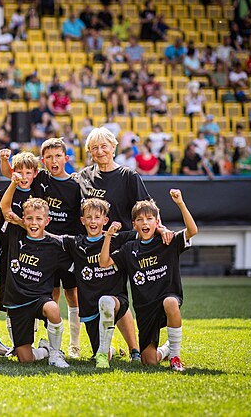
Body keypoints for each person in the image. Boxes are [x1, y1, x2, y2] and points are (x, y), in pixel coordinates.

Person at [99, 189, 198, 371]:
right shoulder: (129, 248)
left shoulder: (167, 241)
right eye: (140, 220)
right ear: (134, 225)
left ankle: (175, 357)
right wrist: (108, 236)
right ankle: (166, 349)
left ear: (156, 222)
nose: (145, 223)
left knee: (170, 302)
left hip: (166, 298)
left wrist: (180, 203)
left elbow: (192, 231)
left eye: (149, 219)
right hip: (145, 309)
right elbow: (104, 262)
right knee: (149, 361)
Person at [77, 127, 154, 361]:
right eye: (94, 148)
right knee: (105, 297)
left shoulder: (128, 176)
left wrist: (158, 230)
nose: (100, 151)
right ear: (89, 151)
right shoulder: (83, 177)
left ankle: (135, 349)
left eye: (104, 146)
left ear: (114, 147)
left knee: (120, 296)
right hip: (94, 247)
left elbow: (146, 209)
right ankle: (111, 348)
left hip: (124, 245)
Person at [61, 199, 143, 367]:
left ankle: (133, 349)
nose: (93, 221)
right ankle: (111, 350)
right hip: (90, 307)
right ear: (82, 220)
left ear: (105, 220)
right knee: (101, 351)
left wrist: (163, 230)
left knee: (107, 302)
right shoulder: (75, 243)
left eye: (97, 217)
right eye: (89, 217)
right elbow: (46, 236)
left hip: (116, 300)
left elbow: (144, 232)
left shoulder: (118, 239)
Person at [0, 182, 70, 368]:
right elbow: (5, 207)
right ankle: (45, 350)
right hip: (17, 301)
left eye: (39, 219)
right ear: (23, 219)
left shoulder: (55, 245)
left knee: (53, 308)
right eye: (29, 218)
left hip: (39, 299)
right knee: (26, 359)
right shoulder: (15, 234)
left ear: (47, 221)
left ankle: (55, 354)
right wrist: (14, 182)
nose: (34, 223)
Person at [0, 150, 40, 355]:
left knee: (29, 296)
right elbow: (4, 208)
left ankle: (30, 343)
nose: (23, 176)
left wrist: (20, 222)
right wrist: (12, 181)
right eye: (19, 172)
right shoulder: (9, 190)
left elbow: (34, 226)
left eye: (28, 172)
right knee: (10, 298)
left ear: (35, 174)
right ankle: (15, 344)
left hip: (30, 253)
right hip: (9, 252)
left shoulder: (37, 194)